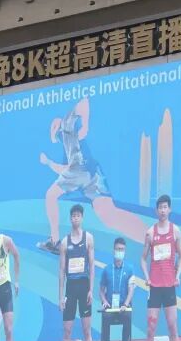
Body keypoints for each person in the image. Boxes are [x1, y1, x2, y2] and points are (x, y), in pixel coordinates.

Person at [38, 97, 147, 253]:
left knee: (50, 195)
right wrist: (48, 162)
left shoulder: (66, 124)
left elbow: (84, 103)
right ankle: (149, 237)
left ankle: (54, 241)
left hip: (80, 169)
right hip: (91, 172)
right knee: (109, 216)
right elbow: (65, 171)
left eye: (53, 128)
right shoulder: (67, 148)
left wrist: (85, 125)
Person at [139, 194, 181, 341]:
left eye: (166, 207)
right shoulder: (150, 233)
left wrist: (177, 275)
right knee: (150, 329)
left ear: (169, 209)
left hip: (170, 287)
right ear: (156, 210)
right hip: (155, 288)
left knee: (173, 327)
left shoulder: (176, 231)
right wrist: (147, 277)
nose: (163, 210)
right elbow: (143, 259)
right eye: (160, 207)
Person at [59, 204, 95, 341]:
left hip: (84, 287)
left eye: (78, 215)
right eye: (73, 216)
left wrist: (91, 290)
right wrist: (60, 296)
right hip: (71, 288)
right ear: (70, 218)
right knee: (67, 331)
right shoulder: (65, 242)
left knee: (87, 330)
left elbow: (92, 266)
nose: (75, 218)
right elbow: (61, 271)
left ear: (82, 218)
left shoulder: (88, 238)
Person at [99, 236, 135, 341]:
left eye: (122, 249)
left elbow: (131, 289)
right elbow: (101, 290)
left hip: (123, 307)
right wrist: (104, 301)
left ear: (125, 251)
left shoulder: (130, 269)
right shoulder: (106, 270)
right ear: (113, 250)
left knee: (127, 317)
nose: (120, 251)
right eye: (118, 249)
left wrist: (126, 304)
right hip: (110, 307)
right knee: (105, 318)